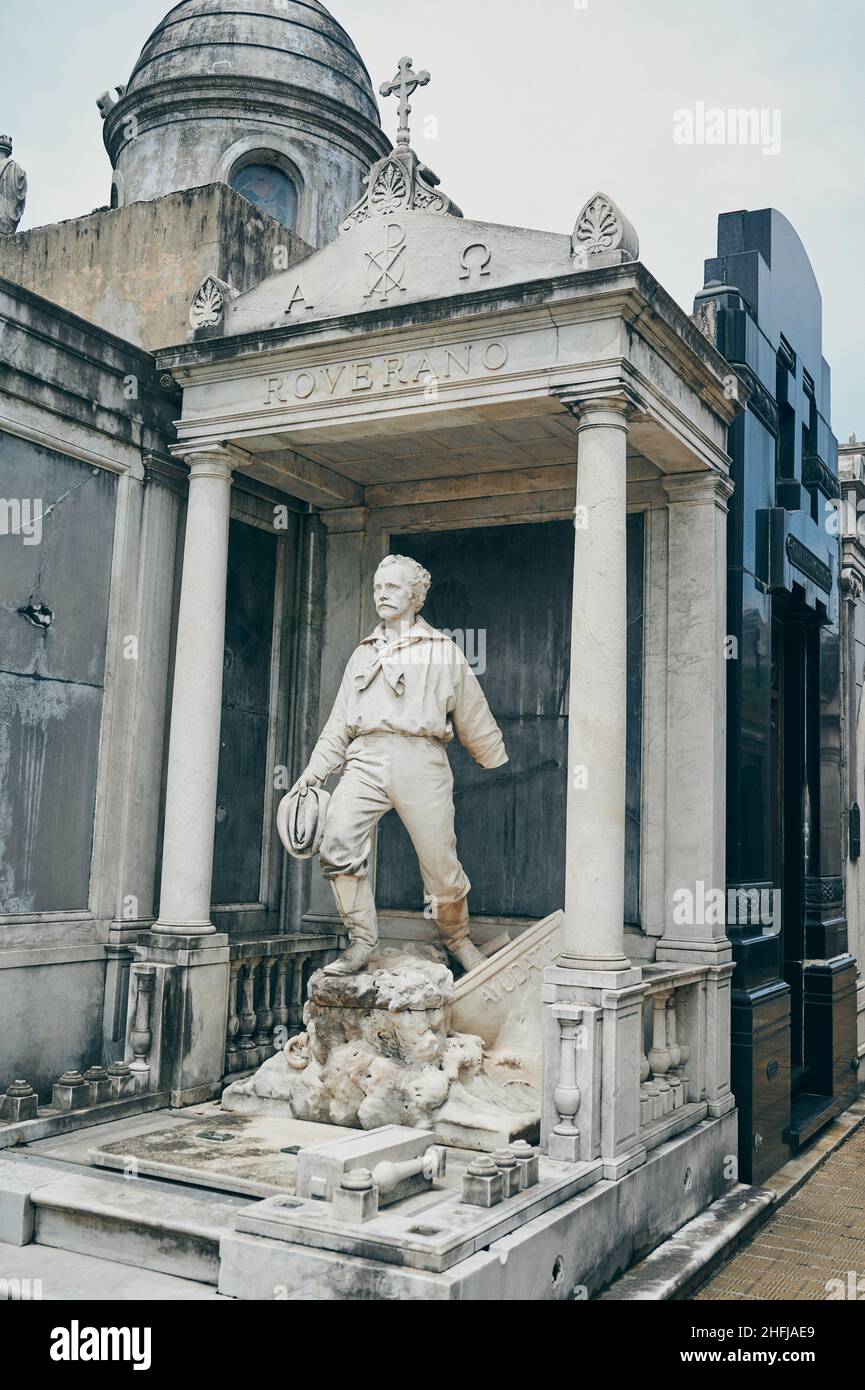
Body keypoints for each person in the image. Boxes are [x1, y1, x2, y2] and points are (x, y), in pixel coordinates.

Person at [292, 554, 508, 975]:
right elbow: (339, 722)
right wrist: (312, 774)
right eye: (377, 588)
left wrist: (492, 757)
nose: (381, 595)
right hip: (365, 759)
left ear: (416, 595)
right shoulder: (363, 654)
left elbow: (473, 711)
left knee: (441, 866)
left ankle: (458, 940)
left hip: (421, 759)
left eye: (391, 588)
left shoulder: (443, 651)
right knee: (336, 842)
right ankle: (361, 942)